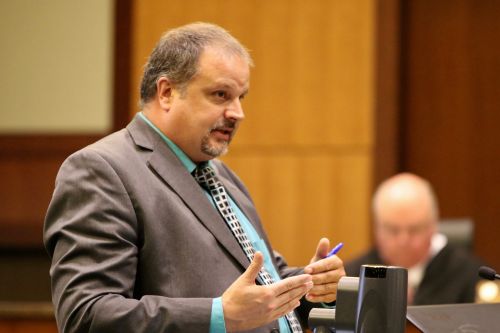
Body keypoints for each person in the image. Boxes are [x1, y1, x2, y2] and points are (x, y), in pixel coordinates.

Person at [43, 22, 345, 333]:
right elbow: (87, 315)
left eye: (241, 96)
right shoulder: (102, 171)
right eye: (220, 94)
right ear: (167, 92)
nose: (237, 112)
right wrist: (218, 316)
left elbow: (261, 280)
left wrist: (311, 286)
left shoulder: (220, 176)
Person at [345, 173, 482, 305]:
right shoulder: (352, 276)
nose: (403, 241)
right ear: (376, 228)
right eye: (393, 230)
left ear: (433, 225)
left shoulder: (470, 277)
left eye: (414, 230)